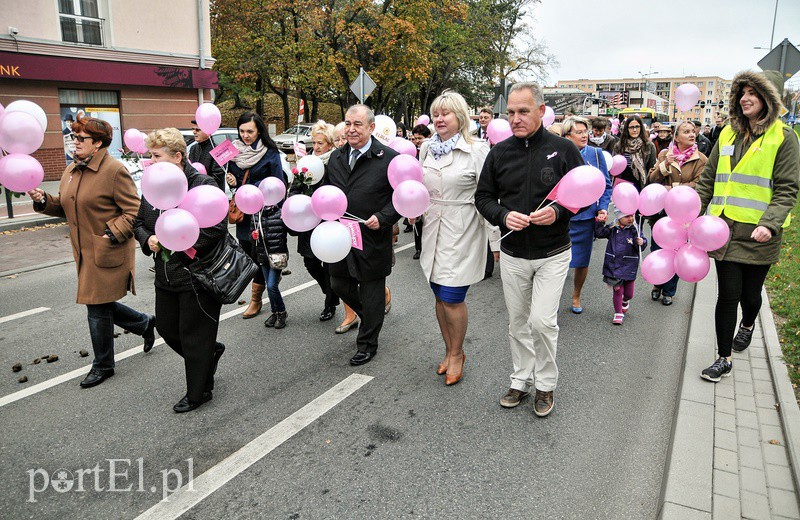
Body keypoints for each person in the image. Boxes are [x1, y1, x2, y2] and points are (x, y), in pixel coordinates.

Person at [475, 82, 584, 417]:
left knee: (542, 322)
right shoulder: (499, 151)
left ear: (540, 111)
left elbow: (582, 194)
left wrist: (559, 211)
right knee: (518, 323)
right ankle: (520, 379)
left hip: (553, 253)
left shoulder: (564, 149)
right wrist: (504, 216)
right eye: (510, 112)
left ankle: (546, 385)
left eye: (523, 111)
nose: (515, 118)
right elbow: (482, 198)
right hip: (513, 255)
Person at [29, 116, 155, 389]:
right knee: (101, 304)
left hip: (106, 249)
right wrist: (43, 201)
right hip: (84, 251)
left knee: (96, 307)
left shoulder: (113, 170)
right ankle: (145, 324)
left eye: (80, 138)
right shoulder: (72, 169)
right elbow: (64, 206)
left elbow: (134, 211)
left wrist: (112, 232)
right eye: (73, 137)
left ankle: (103, 365)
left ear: (98, 143)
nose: (74, 142)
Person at [694, 70, 799, 382]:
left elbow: (787, 189)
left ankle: (750, 323)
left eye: (753, 93)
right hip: (723, 230)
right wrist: (694, 212)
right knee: (727, 294)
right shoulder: (727, 134)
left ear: (770, 99)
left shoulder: (784, 138)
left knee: (750, 297)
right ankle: (723, 358)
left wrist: (770, 223)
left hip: (759, 234)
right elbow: (709, 178)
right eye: (743, 92)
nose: (745, 98)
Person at [133, 128, 227, 412]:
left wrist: (178, 239)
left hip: (197, 274)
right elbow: (139, 223)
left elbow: (216, 228)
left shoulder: (201, 184)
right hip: (164, 275)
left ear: (177, 157)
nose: (152, 161)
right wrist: (147, 239)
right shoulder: (152, 185)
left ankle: (199, 392)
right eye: (150, 155)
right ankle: (210, 353)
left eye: (157, 156)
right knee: (166, 328)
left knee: (193, 335)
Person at [414, 91, 489, 385]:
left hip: (463, 227)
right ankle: (448, 349)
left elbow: (487, 195)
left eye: (446, 113)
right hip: (433, 226)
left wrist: (495, 242)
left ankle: (458, 353)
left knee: (452, 296)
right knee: (438, 293)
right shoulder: (428, 149)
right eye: (436, 114)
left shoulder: (477, 150)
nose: (440, 118)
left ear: (461, 117)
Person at [324, 104, 400, 366]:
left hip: (371, 236)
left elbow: (400, 196)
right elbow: (326, 191)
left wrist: (384, 217)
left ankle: (367, 343)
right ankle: (372, 316)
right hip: (340, 235)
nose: (351, 129)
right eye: (348, 123)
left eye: (358, 124)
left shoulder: (388, 158)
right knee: (338, 284)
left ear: (371, 127)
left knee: (370, 289)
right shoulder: (335, 158)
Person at [225, 112, 284, 320]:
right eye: (242, 131)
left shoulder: (270, 153)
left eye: (250, 131)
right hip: (243, 212)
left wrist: (255, 189)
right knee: (249, 253)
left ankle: (256, 299)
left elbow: (278, 183)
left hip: (264, 213)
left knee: (260, 255)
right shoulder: (233, 151)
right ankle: (260, 292)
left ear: (259, 130)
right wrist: (232, 180)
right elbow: (231, 179)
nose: (245, 135)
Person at [648, 120, 708, 305]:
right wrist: (665, 165)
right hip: (662, 212)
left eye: (693, 131)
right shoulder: (665, 154)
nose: (692, 134)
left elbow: (699, 184)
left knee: (677, 250)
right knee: (657, 247)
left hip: (684, 215)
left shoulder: (701, 159)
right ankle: (657, 282)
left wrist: (672, 188)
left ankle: (669, 290)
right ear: (677, 136)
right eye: (686, 131)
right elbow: (653, 178)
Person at [562, 116, 612, 313]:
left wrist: (603, 207)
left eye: (586, 132)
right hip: (563, 216)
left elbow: (606, 185)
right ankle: (553, 298)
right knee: (558, 260)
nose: (585, 135)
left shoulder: (597, 154)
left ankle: (576, 295)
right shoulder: (560, 153)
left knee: (582, 261)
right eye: (579, 132)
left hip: (586, 217)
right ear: (567, 135)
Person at [291, 120, 340, 322]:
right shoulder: (306, 164)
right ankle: (330, 292)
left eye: (320, 143)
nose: (316, 147)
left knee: (329, 265)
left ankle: (330, 303)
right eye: (314, 143)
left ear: (329, 144)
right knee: (310, 262)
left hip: (328, 222)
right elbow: (294, 189)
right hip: (308, 223)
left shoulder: (334, 163)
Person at [594, 209, 647, 325]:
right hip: (614, 265)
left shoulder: (635, 229)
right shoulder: (613, 228)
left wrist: (642, 242)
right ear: (619, 217)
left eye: (632, 216)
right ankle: (618, 313)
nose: (631, 219)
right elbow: (600, 233)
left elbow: (642, 246)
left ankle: (625, 300)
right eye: (627, 216)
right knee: (618, 290)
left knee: (629, 293)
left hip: (629, 264)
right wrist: (599, 222)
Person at [613, 115, 657, 191]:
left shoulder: (649, 145)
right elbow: (615, 166)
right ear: (627, 129)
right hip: (623, 182)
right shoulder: (620, 145)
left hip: (641, 183)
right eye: (631, 127)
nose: (634, 130)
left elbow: (651, 168)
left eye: (637, 127)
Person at [188, 119, 226, 190]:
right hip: (195, 192)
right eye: (193, 129)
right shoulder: (193, 148)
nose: (194, 132)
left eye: (197, 130)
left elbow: (218, 177)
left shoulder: (218, 150)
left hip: (212, 192)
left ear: (208, 132)